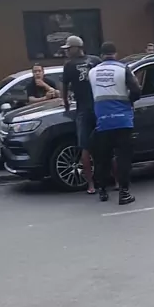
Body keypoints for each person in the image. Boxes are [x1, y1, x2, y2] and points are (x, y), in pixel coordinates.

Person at [89, 41, 141, 205]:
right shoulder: (123, 69)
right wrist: (129, 101)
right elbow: (136, 90)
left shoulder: (92, 72)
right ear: (115, 54)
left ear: (101, 55)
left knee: (102, 158)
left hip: (103, 121)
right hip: (122, 120)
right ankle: (124, 193)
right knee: (123, 158)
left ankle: (102, 191)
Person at [61, 35, 100, 194]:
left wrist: (66, 105)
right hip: (99, 107)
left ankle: (90, 184)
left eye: (68, 49)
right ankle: (116, 181)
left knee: (85, 147)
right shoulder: (96, 60)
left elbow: (64, 87)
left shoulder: (69, 65)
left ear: (76, 48)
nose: (66, 52)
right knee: (107, 144)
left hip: (83, 110)